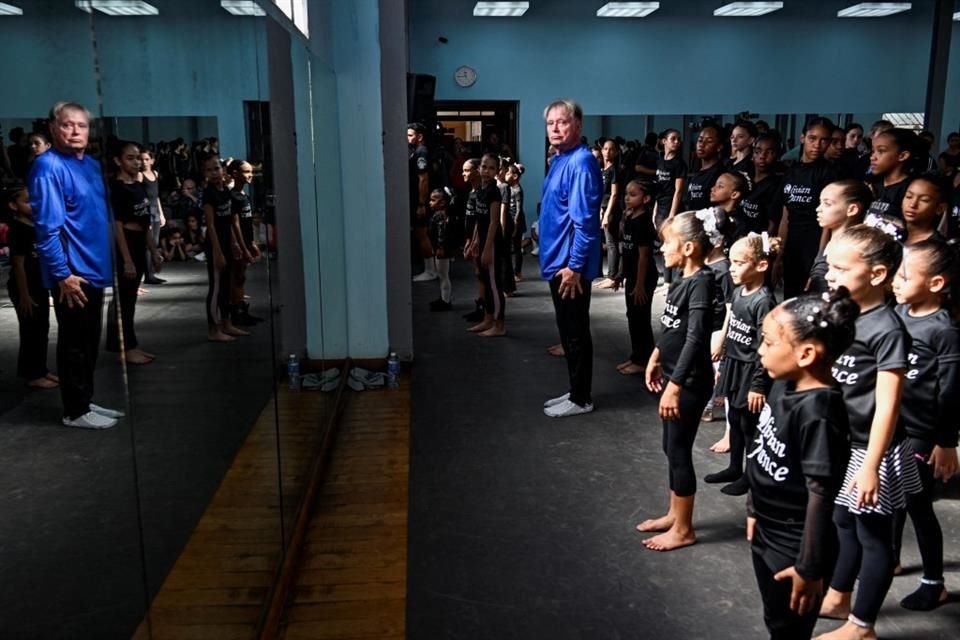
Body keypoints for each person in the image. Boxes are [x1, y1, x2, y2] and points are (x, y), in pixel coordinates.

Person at [818, 224, 922, 640]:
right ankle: (840, 595)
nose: (830, 276)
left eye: (841, 269)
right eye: (830, 267)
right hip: (847, 442)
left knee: (874, 536)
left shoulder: (887, 330)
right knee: (844, 520)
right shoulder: (844, 314)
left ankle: (862, 626)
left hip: (874, 450)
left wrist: (871, 466)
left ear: (877, 275)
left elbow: (889, 406)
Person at [747, 288, 858, 640]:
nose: (760, 350)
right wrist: (754, 508)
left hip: (795, 546)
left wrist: (808, 569)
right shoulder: (786, 384)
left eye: (768, 342)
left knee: (788, 630)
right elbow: (762, 450)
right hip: (767, 528)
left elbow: (820, 494)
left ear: (807, 353)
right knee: (774, 620)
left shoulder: (820, 413)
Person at [28, 101, 121, 429]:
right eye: (67, 125)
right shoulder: (48, 166)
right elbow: (46, 229)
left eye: (81, 125)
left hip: (94, 269)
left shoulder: (92, 165)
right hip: (72, 274)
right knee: (75, 342)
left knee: (89, 340)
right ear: (53, 129)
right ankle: (75, 411)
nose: (75, 131)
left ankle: (85, 400)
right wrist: (62, 274)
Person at [891, 238, 960, 611]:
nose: (895, 282)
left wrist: (946, 442)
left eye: (904, 276)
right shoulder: (898, 314)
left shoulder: (943, 330)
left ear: (935, 283)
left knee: (917, 504)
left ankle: (934, 583)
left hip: (922, 433)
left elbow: (950, 393)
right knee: (894, 499)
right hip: (894, 426)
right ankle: (891, 558)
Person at [640, 212, 714, 551]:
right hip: (672, 373)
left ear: (687, 247)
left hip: (688, 381)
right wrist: (656, 356)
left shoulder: (701, 281)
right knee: (670, 447)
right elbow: (673, 327)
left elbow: (696, 337)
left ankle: (684, 528)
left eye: (668, 242)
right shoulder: (682, 278)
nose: (662, 247)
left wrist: (676, 385)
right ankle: (675, 513)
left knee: (679, 449)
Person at [539, 99, 602, 418]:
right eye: (550, 123)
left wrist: (575, 267)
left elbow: (586, 222)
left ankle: (581, 398)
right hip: (557, 263)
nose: (555, 128)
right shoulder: (560, 159)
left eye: (562, 122)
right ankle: (576, 390)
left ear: (577, 125)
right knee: (567, 331)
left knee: (575, 332)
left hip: (569, 268)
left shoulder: (581, 162)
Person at [705, 233, 779, 497]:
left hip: (751, 369)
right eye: (731, 262)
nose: (732, 268)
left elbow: (765, 346)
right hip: (734, 362)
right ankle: (734, 466)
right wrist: (723, 351)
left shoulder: (764, 301)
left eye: (739, 263)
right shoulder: (739, 291)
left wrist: (758, 385)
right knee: (734, 418)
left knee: (750, 425)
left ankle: (751, 474)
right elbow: (731, 319)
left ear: (761, 265)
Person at [105, 141, 161, 365]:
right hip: (125, 243)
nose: (137, 162)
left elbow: (144, 221)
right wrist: (126, 259)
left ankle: (128, 345)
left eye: (138, 157)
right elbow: (117, 225)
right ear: (118, 161)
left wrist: (154, 251)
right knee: (125, 300)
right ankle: (125, 347)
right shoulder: (117, 188)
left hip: (138, 242)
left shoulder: (138, 186)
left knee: (128, 301)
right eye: (130, 158)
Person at [778, 117, 838, 299]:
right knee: (790, 297)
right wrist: (779, 254)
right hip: (791, 246)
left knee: (810, 298)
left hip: (814, 243)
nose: (817, 145)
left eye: (824, 140)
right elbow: (785, 215)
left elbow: (829, 222)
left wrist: (820, 259)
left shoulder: (829, 173)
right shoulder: (791, 172)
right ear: (802, 138)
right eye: (812, 138)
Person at [5, 185, 58, 389]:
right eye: (27, 201)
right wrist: (24, 295)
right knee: (30, 330)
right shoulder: (18, 230)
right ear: (13, 205)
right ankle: (32, 374)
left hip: (39, 284)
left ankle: (41, 369)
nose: (33, 205)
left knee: (41, 328)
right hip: (24, 287)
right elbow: (18, 266)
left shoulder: (36, 227)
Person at [612, 179, 658, 375]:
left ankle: (644, 360)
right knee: (633, 316)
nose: (627, 198)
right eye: (626, 194)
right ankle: (636, 356)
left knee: (640, 318)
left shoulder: (644, 223)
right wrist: (620, 275)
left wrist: (639, 285)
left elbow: (644, 257)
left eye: (633, 195)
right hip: (632, 276)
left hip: (643, 277)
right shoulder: (630, 219)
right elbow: (626, 251)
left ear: (646, 198)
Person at [201, 155, 248, 342]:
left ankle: (227, 322)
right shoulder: (208, 194)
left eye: (216, 169)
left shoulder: (226, 192)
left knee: (227, 285)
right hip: (215, 245)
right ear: (205, 173)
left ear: (223, 171)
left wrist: (235, 243)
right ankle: (213, 329)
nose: (214, 173)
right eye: (209, 170)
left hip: (227, 243)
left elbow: (230, 220)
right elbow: (211, 225)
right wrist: (217, 252)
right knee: (216, 286)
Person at [807, 180, 871, 294]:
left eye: (827, 204)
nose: (818, 209)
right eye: (820, 202)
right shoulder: (832, 241)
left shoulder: (852, 249)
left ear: (852, 209)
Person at [866, 128, 918, 221]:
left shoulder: (911, 189)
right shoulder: (871, 185)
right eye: (873, 151)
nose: (872, 157)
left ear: (902, 156)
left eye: (881, 151)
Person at [409, 123, 436, 282]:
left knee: (422, 234)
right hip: (420, 201)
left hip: (422, 202)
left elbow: (423, 179)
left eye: (410, 135)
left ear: (419, 137)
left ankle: (430, 271)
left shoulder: (421, 152)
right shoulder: (416, 152)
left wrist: (421, 203)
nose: (407, 138)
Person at [596, 139, 621, 288]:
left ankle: (613, 277)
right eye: (605, 149)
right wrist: (600, 209)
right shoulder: (603, 170)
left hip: (612, 210)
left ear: (616, 152)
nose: (607, 152)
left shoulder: (614, 171)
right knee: (607, 242)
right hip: (604, 208)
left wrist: (607, 214)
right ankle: (611, 275)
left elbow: (614, 194)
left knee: (611, 244)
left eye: (611, 149)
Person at [427, 187, 454, 312]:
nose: (430, 203)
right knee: (441, 274)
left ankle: (446, 300)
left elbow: (441, 233)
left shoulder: (440, 216)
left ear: (442, 202)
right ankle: (443, 297)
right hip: (439, 248)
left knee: (443, 274)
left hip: (441, 249)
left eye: (433, 200)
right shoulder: (439, 215)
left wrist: (440, 247)